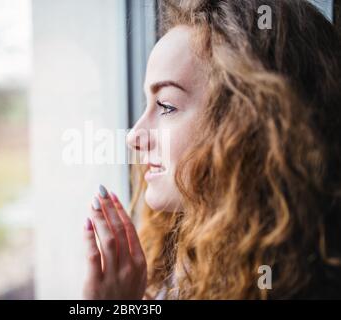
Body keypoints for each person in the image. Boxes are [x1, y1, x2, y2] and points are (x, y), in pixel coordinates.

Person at [82, 0, 341, 299]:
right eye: (147, 104)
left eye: (166, 105)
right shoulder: (183, 266)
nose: (134, 136)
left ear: (249, 124)